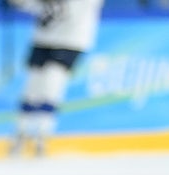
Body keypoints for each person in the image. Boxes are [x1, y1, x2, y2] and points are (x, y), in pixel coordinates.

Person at [8, 0, 103, 156]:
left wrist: (41, 6)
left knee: (52, 83)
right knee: (32, 86)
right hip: (43, 38)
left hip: (71, 40)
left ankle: (42, 134)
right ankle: (20, 132)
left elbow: (67, 12)